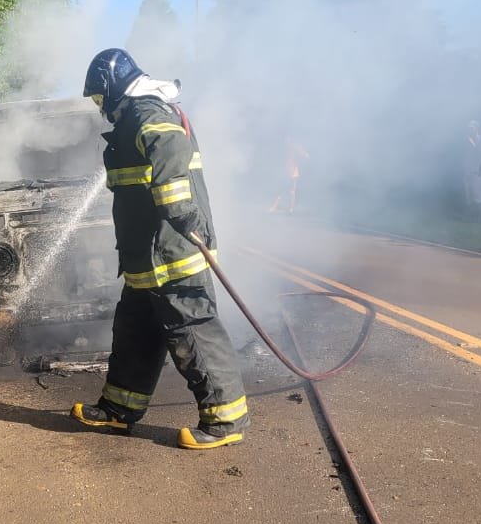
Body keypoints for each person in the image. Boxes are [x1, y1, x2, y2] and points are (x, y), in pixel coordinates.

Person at [70, 48, 249, 449]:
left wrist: (180, 209)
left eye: (100, 97)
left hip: (173, 252)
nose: (100, 107)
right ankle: (119, 410)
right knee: (134, 332)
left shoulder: (148, 111)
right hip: (144, 257)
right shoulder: (131, 117)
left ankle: (225, 422)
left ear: (114, 87)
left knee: (192, 332)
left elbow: (170, 152)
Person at [269, 136, 309, 214]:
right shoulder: (285, 148)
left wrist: (300, 160)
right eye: (285, 139)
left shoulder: (294, 146)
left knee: (291, 190)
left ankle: (290, 208)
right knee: (284, 189)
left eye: (287, 139)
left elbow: (305, 155)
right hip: (288, 170)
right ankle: (282, 207)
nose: (285, 140)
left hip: (292, 170)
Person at [463, 120, 481, 220]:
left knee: (478, 193)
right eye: (469, 128)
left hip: (478, 171)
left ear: (477, 129)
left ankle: (479, 216)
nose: (471, 129)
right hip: (467, 170)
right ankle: (470, 215)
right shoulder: (466, 140)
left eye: (473, 127)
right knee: (468, 193)